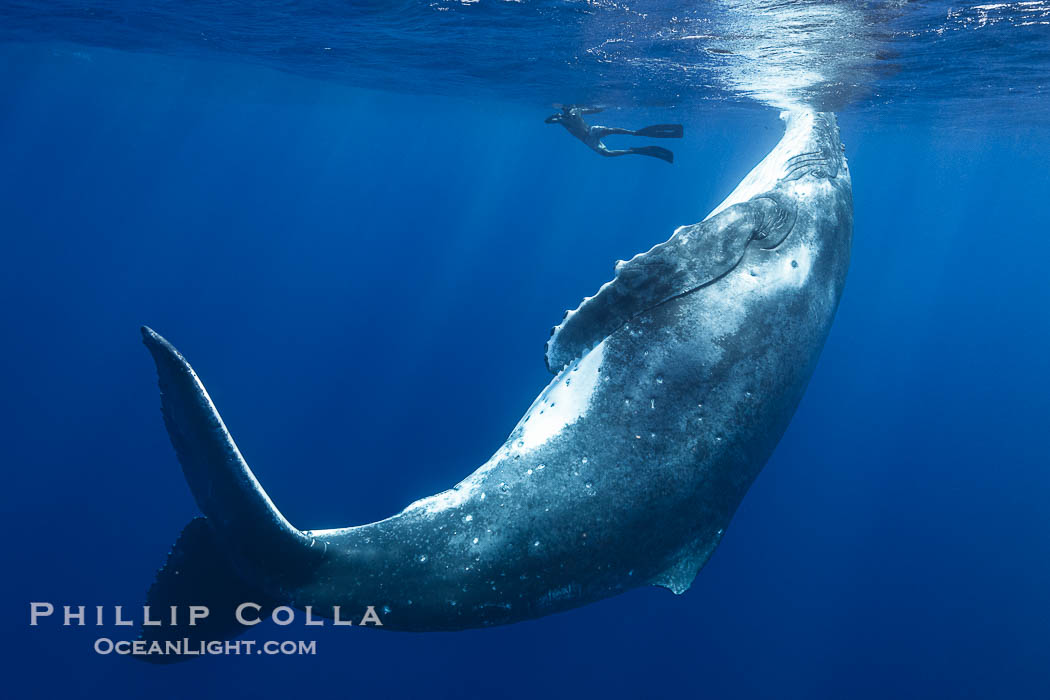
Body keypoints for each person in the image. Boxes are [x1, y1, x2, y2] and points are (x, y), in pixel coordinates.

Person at [544, 104, 684, 163]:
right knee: (606, 154)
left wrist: (605, 105)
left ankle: (635, 133)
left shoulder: (577, 110)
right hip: (587, 139)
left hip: (592, 130)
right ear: (564, 111)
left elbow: (595, 110)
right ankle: (631, 151)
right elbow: (547, 121)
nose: (571, 112)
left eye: (571, 110)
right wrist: (555, 116)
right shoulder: (562, 120)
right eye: (567, 111)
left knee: (611, 130)